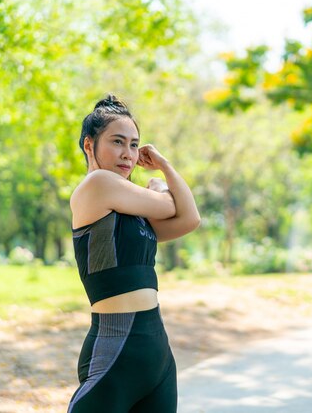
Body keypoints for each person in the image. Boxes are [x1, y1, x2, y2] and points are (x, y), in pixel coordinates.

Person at [67, 94, 200, 412]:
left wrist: (164, 164)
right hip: (115, 347)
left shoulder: (135, 212)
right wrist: (157, 187)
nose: (127, 154)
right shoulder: (97, 184)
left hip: (157, 352)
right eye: (117, 142)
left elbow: (190, 218)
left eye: (134, 145)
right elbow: (170, 205)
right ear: (89, 145)